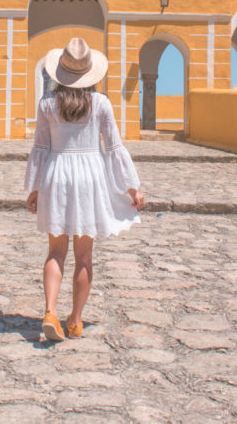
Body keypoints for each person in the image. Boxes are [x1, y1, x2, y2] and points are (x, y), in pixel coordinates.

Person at [24, 37, 146, 341]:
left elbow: (40, 146)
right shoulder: (101, 104)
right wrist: (132, 188)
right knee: (84, 255)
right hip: (90, 177)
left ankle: (50, 311)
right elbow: (114, 147)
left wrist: (35, 189)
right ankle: (76, 320)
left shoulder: (47, 104)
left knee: (55, 250)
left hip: (55, 173)